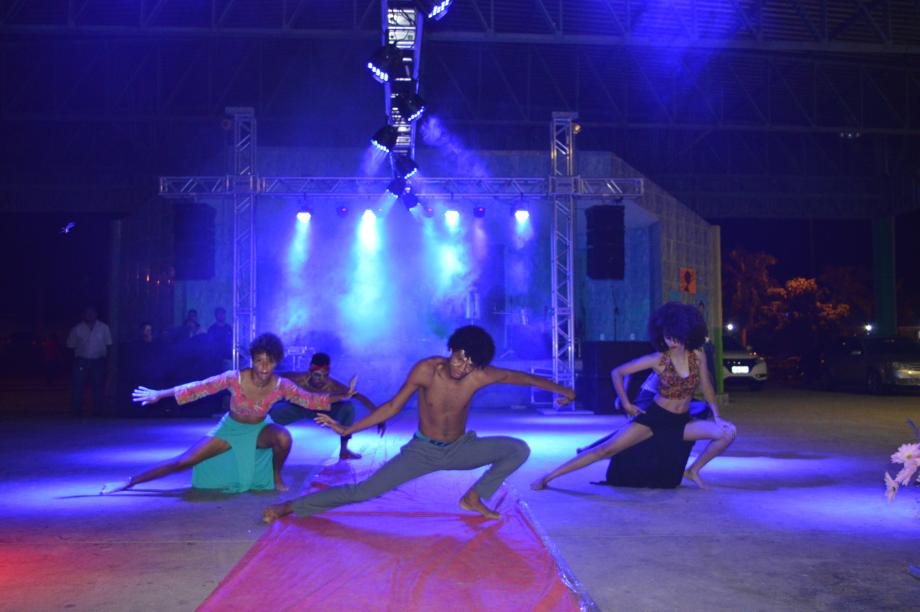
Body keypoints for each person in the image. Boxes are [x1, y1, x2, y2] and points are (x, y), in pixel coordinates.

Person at [263, 325, 576, 523]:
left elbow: (521, 377)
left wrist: (563, 389)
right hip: (422, 451)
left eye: (470, 364)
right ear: (450, 349)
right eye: (459, 358)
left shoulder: (479, 374)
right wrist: (349, 430)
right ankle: (292, 506)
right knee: (363, 491)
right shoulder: (426, 370)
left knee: (517, 450)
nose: (462, 368)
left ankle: (473, 497)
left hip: (460, 448)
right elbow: (392, 406)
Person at [100, 333, 356, 495]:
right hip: (229, 430)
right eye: (259, 360)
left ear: (276, 362)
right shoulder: (234, 378)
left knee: (284, 437)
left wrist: (342, 397)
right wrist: (159, 394)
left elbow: (311, 399)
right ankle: (129, 481)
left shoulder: (281, 385)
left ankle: (275, 474)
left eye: (269, 361)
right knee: (182, 462)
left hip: (259, 430)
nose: (264, 367)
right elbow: (197, 388)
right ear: (252, 360)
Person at [531, 302, 737, 492]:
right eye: (666, 336)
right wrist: (627, 404)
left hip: (681, 422)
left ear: (686, 333)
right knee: (605, 450)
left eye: (675, 336)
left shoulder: (697, 354)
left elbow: (707, 385)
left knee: (727, 434)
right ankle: (548, 477)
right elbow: (617, 372)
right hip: (654, 419)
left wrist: (717, 415)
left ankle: (693, 471)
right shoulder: (659, 359)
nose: (671, 342)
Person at [271, 353, 383, 460]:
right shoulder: (297, 379)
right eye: (317, 375)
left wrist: (379, 417)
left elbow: (360, 397)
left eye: (325, 375)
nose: (322, 379)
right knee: (271, 413)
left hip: (322, 409)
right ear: (310, 371)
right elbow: (270, 375)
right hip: (297, 407)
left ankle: (344, 450)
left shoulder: (332, 385)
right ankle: (262, 444)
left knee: (347, 407)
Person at [67, 307, 113, 417]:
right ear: (83, 315)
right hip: (81, 361)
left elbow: (109, 345)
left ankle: (97, 411)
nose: (90, 315)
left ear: (96, 314)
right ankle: (77, 411)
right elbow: (70, 346)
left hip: (98, 361)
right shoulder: (77, 329)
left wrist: (108, 362)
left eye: (92, 313)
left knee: (98, 387)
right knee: (78, 386)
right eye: (87, 313)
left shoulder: (104, 328)